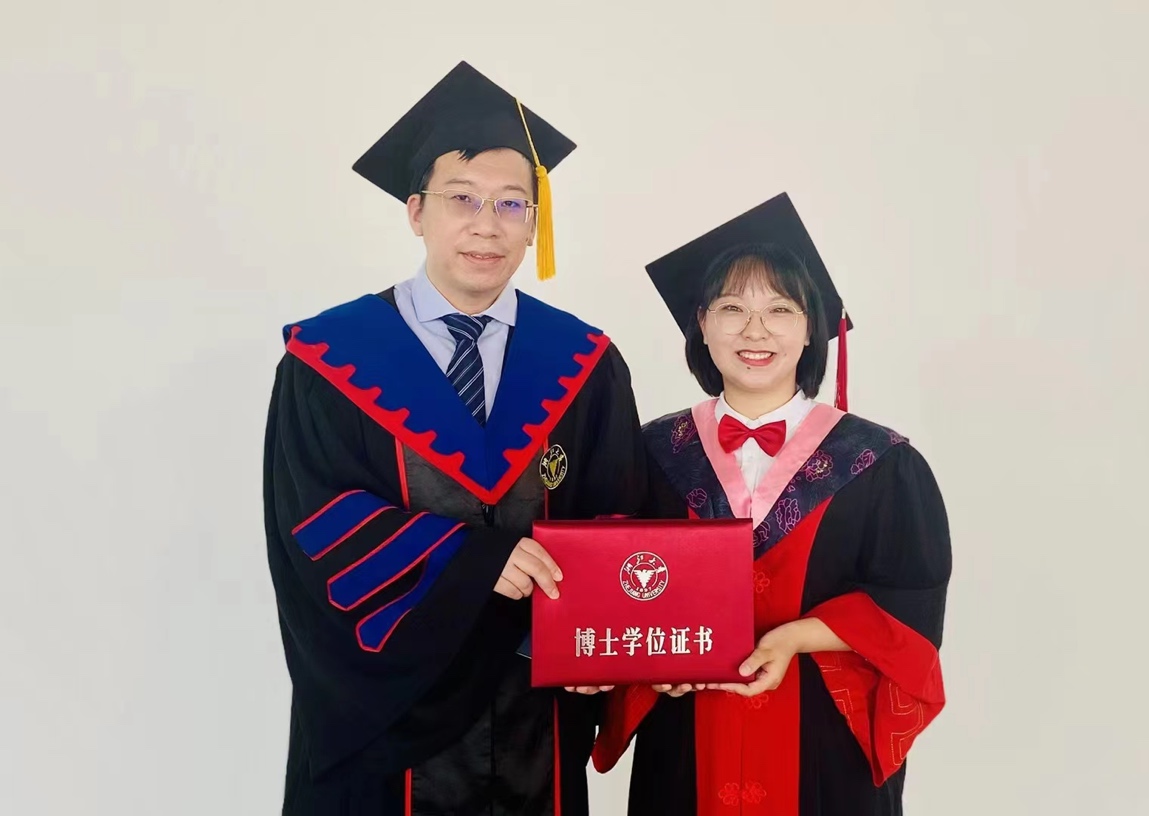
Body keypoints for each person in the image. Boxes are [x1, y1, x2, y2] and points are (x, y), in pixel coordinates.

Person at [262, 61, 646, 816]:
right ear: (416, 212)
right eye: (461, 198)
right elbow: (313, 527)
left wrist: (600, 635)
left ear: (534, 222)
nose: (486, 224)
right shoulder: (328, 360)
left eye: (511, 203)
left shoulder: (585, 363)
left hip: (536, 717)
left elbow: (619, 515)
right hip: (387, 727)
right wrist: (474, 561)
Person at [592, 193, 952, 815]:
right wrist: (648, 660)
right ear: (701, 325)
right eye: (731, 308)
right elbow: (608, 584)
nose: (754, 331)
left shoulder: (879, 462)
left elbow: (911, 600)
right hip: (685, 732)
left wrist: (795, 638)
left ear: (812, 327)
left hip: (823, 741)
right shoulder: (647, 453)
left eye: (780, 309)